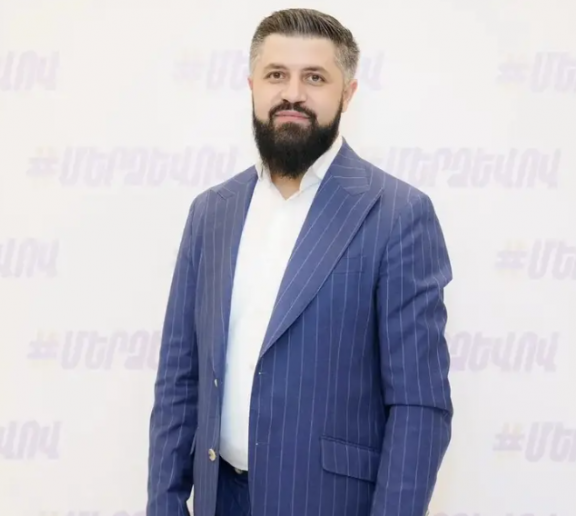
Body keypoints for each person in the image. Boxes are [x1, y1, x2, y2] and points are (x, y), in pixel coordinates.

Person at [147, 8, 453, 516]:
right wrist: (164, 504)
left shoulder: (398, 215)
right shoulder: (211, 213)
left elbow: (419, 406)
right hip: (221, 500)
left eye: (314, 77)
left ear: (347, 93)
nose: (292, 94)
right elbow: (179, 379)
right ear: (252, 86)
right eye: (276, 75)